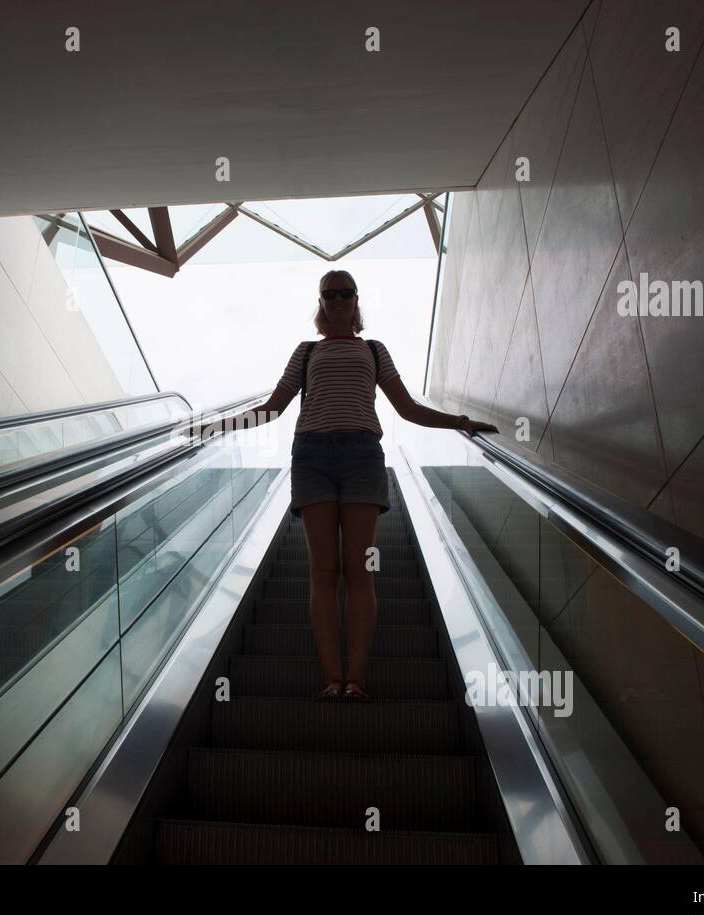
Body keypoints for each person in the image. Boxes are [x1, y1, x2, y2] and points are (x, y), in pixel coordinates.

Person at [201, 270, 496, 701]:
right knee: (323, 572)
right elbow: (271, 410)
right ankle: (331, 679)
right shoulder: (305, 353)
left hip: (361, 456)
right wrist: (217, 427)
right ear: (320, 303)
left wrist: (461, 423)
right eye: (329, 294)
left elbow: (408, 408)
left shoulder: (375, 350)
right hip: (312, 457)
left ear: (357, 300)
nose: (338, 299)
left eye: (346, 293)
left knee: (359, 571)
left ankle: (355, 680)